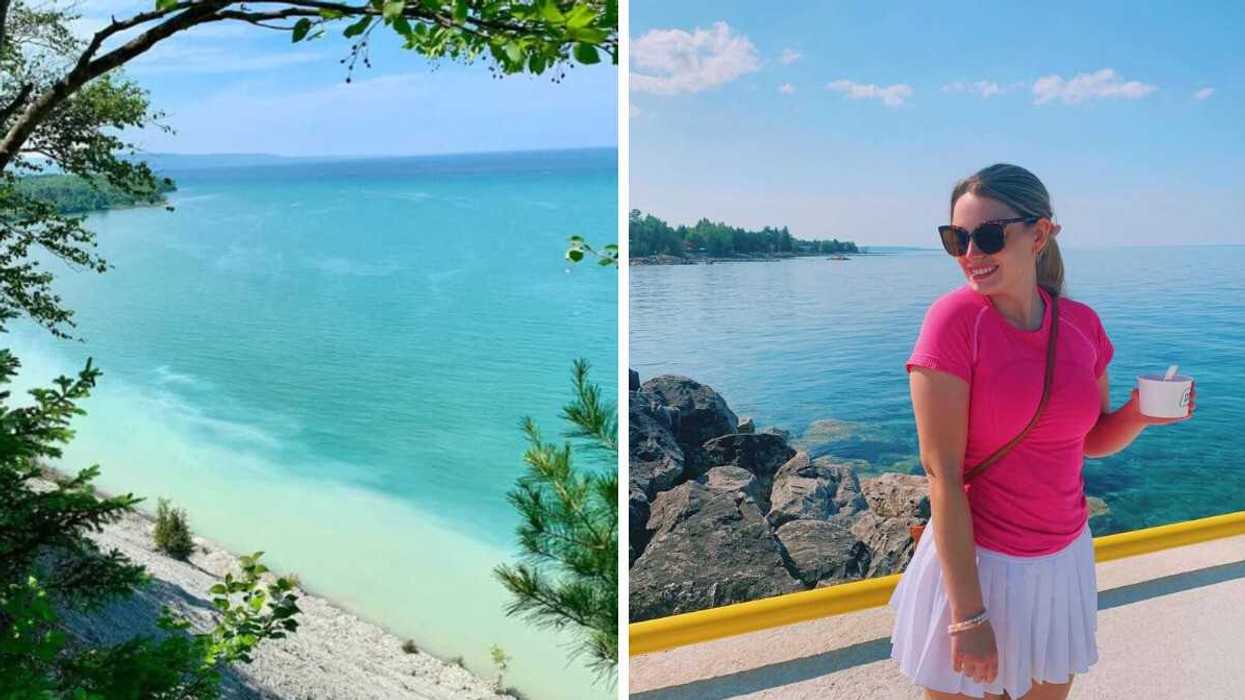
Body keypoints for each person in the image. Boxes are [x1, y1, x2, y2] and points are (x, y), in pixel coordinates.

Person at [888, 163, 1197, 700]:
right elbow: (943, 476)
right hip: (977, 564)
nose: (970, 254)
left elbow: (1091, 440)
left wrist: (1140, 417)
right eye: (957, 238)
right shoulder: (954, 322)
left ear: (1040, 234)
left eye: (987, 236)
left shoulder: (1082, 326)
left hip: (1062, 561)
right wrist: (967, 616)